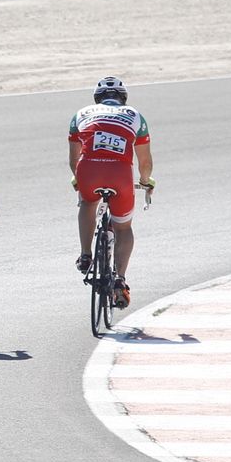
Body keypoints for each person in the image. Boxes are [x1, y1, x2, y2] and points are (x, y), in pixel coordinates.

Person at [69, 76, 154, 309]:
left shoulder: (81, 114)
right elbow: (144, 161)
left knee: (87, 202)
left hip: (89, 168)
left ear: (97, 99)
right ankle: (119, 280)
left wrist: (78, 179)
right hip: (120, 174)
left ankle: (86, 254)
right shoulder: (135, 116)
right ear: (123, 98)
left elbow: (73, 159)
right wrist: (146, 182)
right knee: (123, 227)